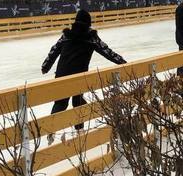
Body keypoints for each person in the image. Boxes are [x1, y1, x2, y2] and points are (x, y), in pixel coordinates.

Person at [41, 9, 127, 144]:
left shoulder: (66, 36)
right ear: (89, 24)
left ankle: (52, 131)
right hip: (79, 77)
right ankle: (79, 132)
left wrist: (45, 66)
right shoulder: (91, 38)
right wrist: (122, 63)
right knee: (78, 102)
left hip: (61, 76)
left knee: (60, 103)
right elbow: (107, 51)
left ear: (75, 22)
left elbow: (54, 50)